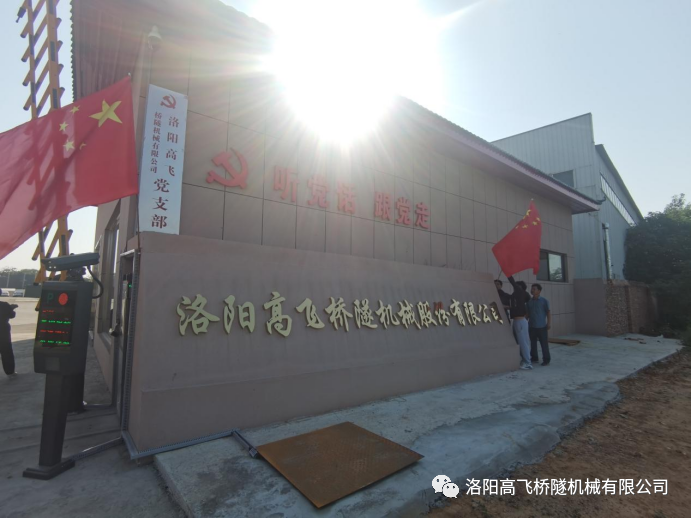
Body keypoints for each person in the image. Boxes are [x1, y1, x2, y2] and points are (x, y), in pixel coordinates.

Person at [507, 276, 532, 370]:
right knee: (519, 342)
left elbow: (512, 282)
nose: (514, 287)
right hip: (517, 321)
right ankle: (525, 359)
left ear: (520, 287)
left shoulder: (520, 292)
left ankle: (527, 362)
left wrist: (508, 274)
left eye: (516, 286)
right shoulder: (517, 296)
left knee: (523, 342)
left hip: (520, 321)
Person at [528, 283, 551, 366]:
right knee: (533, 343)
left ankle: (546, 359)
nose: (532, 290)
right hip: (532, 326)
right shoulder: (529, 302)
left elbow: (548, 312)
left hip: (542, 326)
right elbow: (528, 314)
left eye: (534, 289)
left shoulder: (544, 301)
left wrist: (548, 323)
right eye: (532, 289)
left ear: (539, 291)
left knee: (544, 344)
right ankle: (534, 358)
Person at [0, 301, 18, 377]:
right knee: (6, 351)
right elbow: (12, 315)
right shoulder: (4, 304)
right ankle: (10, 372)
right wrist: (11, 308)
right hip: (3, 330)